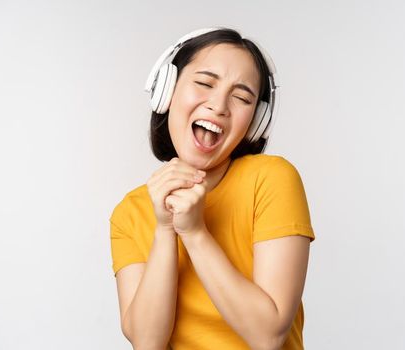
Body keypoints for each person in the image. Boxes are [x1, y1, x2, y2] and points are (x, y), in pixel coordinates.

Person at [109, 27, 316, 350]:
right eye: (205, 83)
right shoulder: (130, 212)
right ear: (167, 91)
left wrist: (194, 233)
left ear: (256, 122)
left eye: (242, 97)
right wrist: (165, 228)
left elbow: (268, 335)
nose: (219, 105)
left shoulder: (272, 178)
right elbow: (147, 343)